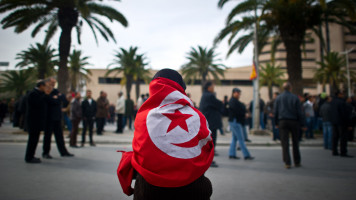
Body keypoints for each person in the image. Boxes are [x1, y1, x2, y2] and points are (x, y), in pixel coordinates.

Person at [117, 69, 214, 199]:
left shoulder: (143, 116)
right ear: (181, 89)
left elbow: (140, 151)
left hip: (150, 191)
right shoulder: (197, 116)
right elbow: (207, 147)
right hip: (192, 189)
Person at [274, 82, 305, 169]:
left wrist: (276, 123)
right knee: (295, 142)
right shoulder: (295, 98)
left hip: (282, 121)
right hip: (294, 121)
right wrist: (302, 123)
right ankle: (297, 161)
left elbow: (276, 111)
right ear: (290, 88)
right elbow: (300, 112)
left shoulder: (279, 98)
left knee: (284, 143)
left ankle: (287, 162)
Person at [42, 78, 73, 159]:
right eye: (52, 82)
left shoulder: (56, 91)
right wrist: (55, 99)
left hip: (57, 117)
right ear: (47, 82)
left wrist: (56, 98)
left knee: (59, 136)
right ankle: (45, 152)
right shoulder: (45, 92)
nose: (53, 84)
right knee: (47, 136)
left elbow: (62, 98)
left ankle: (63, 152)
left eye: (54, 82)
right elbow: (50, 101)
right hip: (49, 118)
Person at [24, 80, 49, 163]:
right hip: (33, 121)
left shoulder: (38, 94)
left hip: (36, 122)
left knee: (35, 140)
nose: (45, 88)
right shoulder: (33, 94)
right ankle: (29, 157)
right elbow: (37, 104)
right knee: (32, 140)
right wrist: (45, 95)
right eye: (45, 86)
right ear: (41, 86)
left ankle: (31, 155)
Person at [199, 81, 222, 167]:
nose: (213, 88)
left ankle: (208, 160)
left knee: (209, 143)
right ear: (208, 87)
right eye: (212, 86)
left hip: (208, 122)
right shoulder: (209, 96)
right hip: (211, 123)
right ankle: (209, 161)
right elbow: (219, 104)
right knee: (211, 143)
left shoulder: (205, 95)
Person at [228, 88, 254, 160]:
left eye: (239, 93)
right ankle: (246, 155)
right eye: (237, 93)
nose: (238, 94)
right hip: (235, 121)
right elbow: (238, 111)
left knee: (234, 138)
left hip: (234, 121)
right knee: (241, 139)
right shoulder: (233, 101)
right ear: (233, 93)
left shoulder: (234, 101)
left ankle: (232, 153)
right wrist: (244, 114)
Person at [330, 91, 353, 157]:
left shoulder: (332, 102)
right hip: (341, 122)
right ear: (339, 94)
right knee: (343, 137)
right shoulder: (342, 102)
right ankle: (343, 151)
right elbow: (344, 114)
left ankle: (334, 151)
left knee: (335, 137)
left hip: (334, 122)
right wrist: (348, 124)